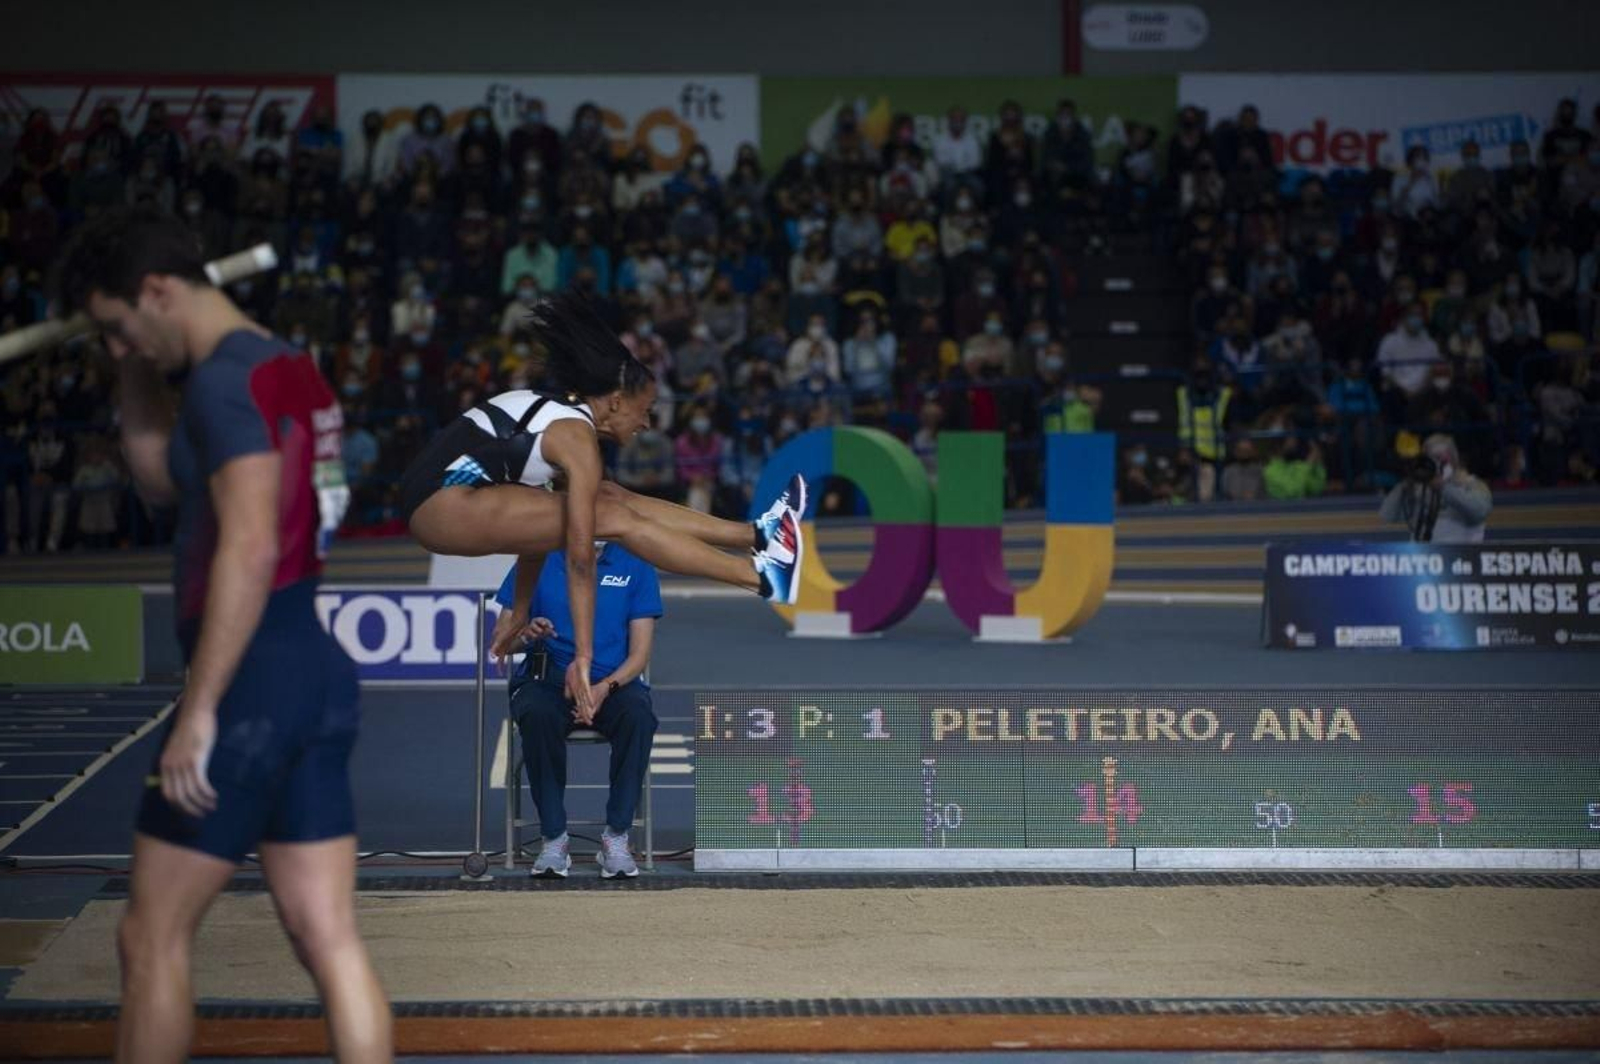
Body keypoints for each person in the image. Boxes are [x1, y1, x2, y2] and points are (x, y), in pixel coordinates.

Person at [56, 207, 391, 1062]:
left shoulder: (218, 383)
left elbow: (247, 540)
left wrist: (201, 707)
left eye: (122, 329)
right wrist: (127, 370)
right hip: (311, 668)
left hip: (251, 681)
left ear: (158, 290)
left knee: (149, 937)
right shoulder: (287, 370)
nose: (124, 347)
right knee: (328, 937)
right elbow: (167, 481)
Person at [399, 292, 807, 713]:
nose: (647, 422)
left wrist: (520, 608)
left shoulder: (560, 419)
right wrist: (584, 657)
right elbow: (579, 558)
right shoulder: (575, 439)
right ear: (615, 401)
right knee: (610, 514)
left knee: (610, 496)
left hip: (446, 500)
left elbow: (536, 532)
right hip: (442, 506)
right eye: (645, 410)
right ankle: (760, 577)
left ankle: (757, 534)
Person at [493, 543, 661, 878]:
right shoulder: (536, 559)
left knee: (639, 718)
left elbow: (639, 656)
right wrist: (525, 635)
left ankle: (616, 837)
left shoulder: (638, 566)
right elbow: (501, 642)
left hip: (613, 683)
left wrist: (601, 689)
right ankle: (554, 839)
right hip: (548, 682)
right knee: (536, 716)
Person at [1380, 433, 1492, 543]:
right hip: (1423, 555)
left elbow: (1479, 512)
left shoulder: (1472, 484)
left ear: (1453, 459)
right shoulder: (1420, 489)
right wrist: (1405, 484)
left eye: (1439, 458)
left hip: (1461, 556)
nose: (1435, 463)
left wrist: (1444, 488)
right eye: (1430, 459)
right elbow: (1387, 515)